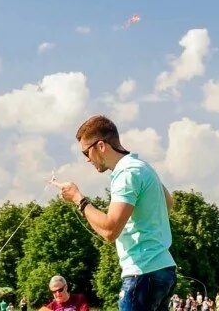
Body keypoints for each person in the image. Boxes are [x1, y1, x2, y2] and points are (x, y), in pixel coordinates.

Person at [51, 115, 176, 311]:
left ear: (101, 146)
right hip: (164, 270)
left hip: (143, 273)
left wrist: (79, 199)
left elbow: (110, 231)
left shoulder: (125, 174)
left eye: (86, 153)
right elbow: (168, 203)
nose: (87, 160)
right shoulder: (142, 167)